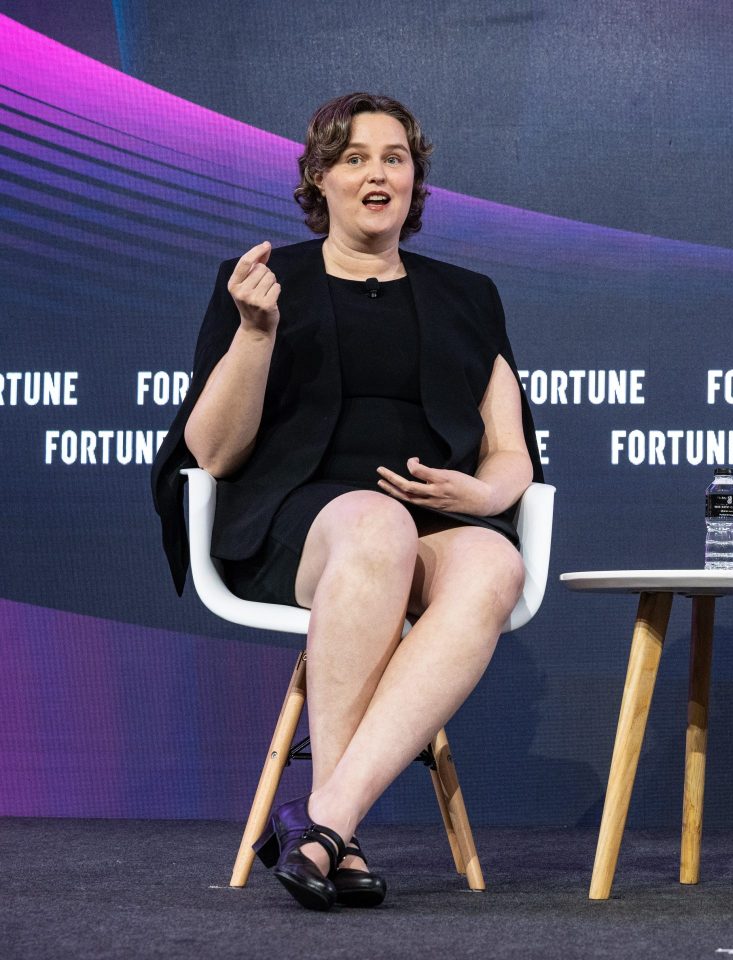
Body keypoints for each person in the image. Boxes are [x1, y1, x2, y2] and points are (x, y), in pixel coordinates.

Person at [152, 92, 545, 911]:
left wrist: (480, 491)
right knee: (376, 524)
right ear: (319, 178)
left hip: (430, 516)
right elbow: (215, 453)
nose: (377, 172)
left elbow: (511, 453)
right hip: (299, 525)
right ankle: (334, 828)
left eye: (394, 157)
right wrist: (255, 332)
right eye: (354, 158)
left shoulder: (468, 295)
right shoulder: (263, 280)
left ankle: (325, 822)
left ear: (415, 179)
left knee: (493, 560)